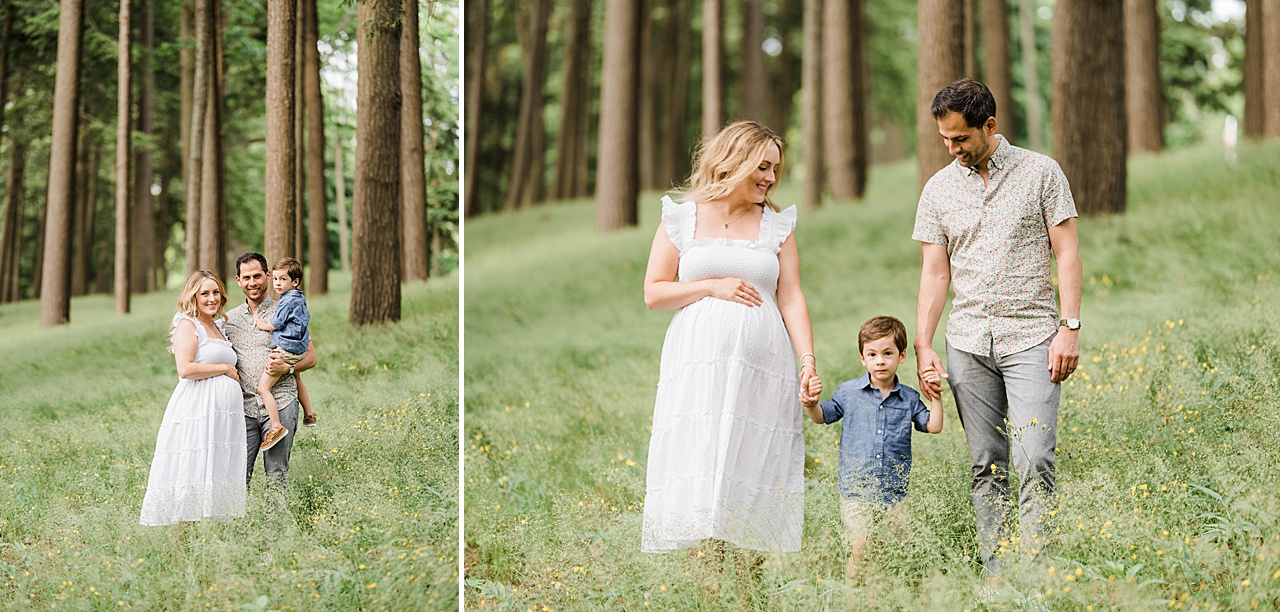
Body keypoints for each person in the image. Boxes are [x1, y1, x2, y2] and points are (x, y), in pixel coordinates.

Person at [640, 120, 821, 597]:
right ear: (734, 160)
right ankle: (709, 594)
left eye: (775, 169)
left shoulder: (776, 225)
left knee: (753, 468)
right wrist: (712, 286)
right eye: (762, 167)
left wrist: (807, 361)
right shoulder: (682, 218)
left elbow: (792, 298)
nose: (769, 178)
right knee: (701, 465)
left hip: (763, 369)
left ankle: (749, 592)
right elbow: (654, 292)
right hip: (697, 367)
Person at [912, 78, 1082, 578]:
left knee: (1036, 459)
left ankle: (1037, 576)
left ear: (989, 125)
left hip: (1032, 336)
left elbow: (1067, 251)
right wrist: (924, 343)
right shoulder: (938, 189)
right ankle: (999, 576)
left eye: (960, 138)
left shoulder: (1041, 173)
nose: (952, 149)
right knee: (987, 465)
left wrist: (1069, 327)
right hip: (966, 343)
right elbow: (935, 272)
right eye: (945, 139)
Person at [801, 316, 943, 580]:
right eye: (873, 354)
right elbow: (822, 416)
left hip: (894, 493)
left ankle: (884, 595)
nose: (880, 360)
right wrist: (810, 403)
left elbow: (933, 426)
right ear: (862, 358)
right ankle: (853, 600)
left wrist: (935, 397)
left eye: (887, 353)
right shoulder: (848, 392)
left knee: (895, 551)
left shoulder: (909, 398)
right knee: (861, 549)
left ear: (901, 356)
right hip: (856, 491)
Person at [140, 271, 246, 526]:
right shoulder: (188, 325)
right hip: (198, 410)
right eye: (205, 294)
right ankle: (183, 552)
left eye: (215, 293)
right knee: (193, 470)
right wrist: (224, 369)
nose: (212, 299)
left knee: (216, 472)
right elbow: (185, 369)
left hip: (223, 419)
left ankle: (210, 545)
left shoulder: (219, 326)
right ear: (193, 297)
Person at [225, 252, 318, 488]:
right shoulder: (230, 320)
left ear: (268, 276)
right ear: (238, 280)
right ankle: (238, 525)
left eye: (257, 276)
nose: (252, 282)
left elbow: (311, 357)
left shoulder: (287, 307)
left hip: (281, 401)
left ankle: (275, 526)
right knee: (238, 476)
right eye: (246, 278)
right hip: (244, 408)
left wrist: (288, 367)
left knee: (276, 476)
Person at [252, 257, 316, 451]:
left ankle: (276, 426)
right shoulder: (299, 298)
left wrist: (263, 324)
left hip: (285, 349)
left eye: (283, 280)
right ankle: (309, 414)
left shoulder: (287, 301)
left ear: (295, 282)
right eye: (276, 279)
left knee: (263, 388)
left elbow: (276, 322)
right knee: (297, 379)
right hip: (297, 348)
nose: (278, 284)